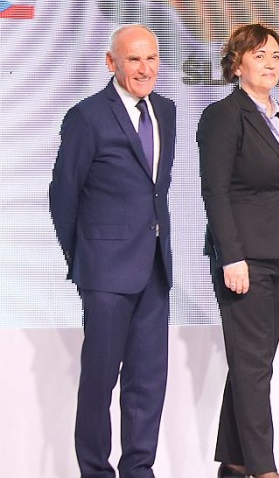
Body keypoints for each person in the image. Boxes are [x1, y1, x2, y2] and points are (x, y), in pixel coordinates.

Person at [49, 24, 176, 478]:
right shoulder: (86, 116)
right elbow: (63, 196)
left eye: (152, 58)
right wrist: (85, 260)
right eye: (134, 59)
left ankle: (139, 469)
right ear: (111, 63)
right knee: (100, 381)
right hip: (104, 273)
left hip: (154, 269)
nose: (145, 68)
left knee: (147, 381)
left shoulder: (167, 110)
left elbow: (154, 191)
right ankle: (95, 472)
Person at [197, 24, 279, 478]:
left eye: (276, 56)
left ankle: (235, 461)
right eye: (259, 55)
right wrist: (231, 256)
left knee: (254, 364)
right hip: (243, 257)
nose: (270, 64)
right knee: (253, 365)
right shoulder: (224, 116)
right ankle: (264, 469)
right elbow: (215, 192)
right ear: (237, 63)